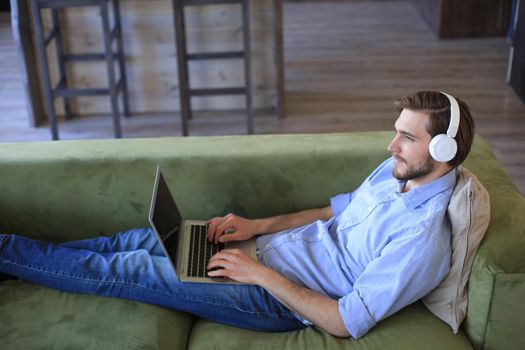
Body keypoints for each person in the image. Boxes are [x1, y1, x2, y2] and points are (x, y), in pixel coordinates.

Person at [0, 91, 475, 339]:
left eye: (406, 138)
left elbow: (343, 322)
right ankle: (23, 264)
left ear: (442, 150)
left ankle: (5, 250)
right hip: (257, 254)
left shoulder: (421, 240)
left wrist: (257, 274)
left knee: (123, 269)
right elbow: (337, 209)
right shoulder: (399, 173)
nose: (391, 145)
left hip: (275, 301)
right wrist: (257, 228)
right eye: (396, 133)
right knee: (132, 240)